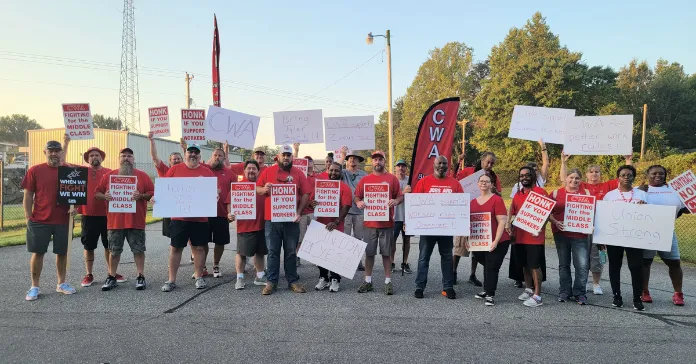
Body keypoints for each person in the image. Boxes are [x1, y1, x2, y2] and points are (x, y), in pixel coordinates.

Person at [560, 153, 632, 295]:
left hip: (600, 226)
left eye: (597, 172)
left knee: (597, 255)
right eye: (591, 172)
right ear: (586, 175)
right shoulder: (582, 185)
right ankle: (584, 282)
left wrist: (628, 160)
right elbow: (565, 179)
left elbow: (626, 179)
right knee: (582, 255)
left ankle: (596, 283)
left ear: (600, 174)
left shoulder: (607, 186)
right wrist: (563, 162)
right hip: (581, 224)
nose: (594, 174)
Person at [62, 134, 123, 287]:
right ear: (87, 159)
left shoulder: (111, 172)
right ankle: (89, 274)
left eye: (97, 155)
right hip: (88, 215)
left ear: (101, 158)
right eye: (91, 155)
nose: (94, 157)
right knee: (89, 246)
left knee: (109, 245)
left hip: (108, 215)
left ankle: (112, 272)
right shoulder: (80, 171)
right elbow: (62, 163)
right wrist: (66, 142)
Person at [22, 141, 77, 301]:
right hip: (40, 219)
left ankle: (61, 283)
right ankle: (34, 286)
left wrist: (76, 207)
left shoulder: (70, 171)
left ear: (61, 153)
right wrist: (27, 216)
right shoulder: (35, 170)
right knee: (38, 252)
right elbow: (28, 194)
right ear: (44, 152)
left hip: (63, 219)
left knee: (62, 252)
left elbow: (78, 191)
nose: (54, 154)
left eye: (57, 151)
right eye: (51, 151)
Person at [95, 148, 154, 291]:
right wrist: (105, 196)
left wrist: (141, 196)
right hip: (115, 222)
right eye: (123, 156)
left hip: (136, 221)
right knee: (114, 251)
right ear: (118, 159)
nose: (126, 158)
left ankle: (140, 276)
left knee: (138, 250)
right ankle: (111, 276)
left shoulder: (142, 176)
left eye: (129, 156)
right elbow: (97, 193)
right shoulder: (109, 176)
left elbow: (152, 192)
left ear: (133, 159)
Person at [160, 143, 216, 292]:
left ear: (200, 156)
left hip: (200, 219)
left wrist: (214, 195)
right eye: (190, 152)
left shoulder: (207, 172)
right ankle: (171, 280)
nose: (193, 155)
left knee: (199, 248)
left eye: (196, 153)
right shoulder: (174, 170)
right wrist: (157, 198)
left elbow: (214, 191)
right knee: (176, 248)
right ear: (185, 154)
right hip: (179, 218)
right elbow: (165, 189)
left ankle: (199, 277)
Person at [256, 145, 310, 295]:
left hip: (291, 221)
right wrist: (264, 189)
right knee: (273, 252)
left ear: (292, 157)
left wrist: (299, 212)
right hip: (271, 221)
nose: (286, 157)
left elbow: (306, 194)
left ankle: (292, 281)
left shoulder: (298, 173)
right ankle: (271, 282)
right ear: (278, 157)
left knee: (291, 252)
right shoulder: (268, 172)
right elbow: (257, 188)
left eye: (289, 155)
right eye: (283, 155)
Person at [412, 156, 462, 299]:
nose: (441, 165)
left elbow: (460, 205)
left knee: (447, 257)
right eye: (439, 163)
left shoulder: (455, 184)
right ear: (433, 164)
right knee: (423, 257)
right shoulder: (424, 182)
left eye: (444, 163)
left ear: (447, 165)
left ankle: (448, 286)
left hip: (446, 229)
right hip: (427, 229)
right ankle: (420, 286)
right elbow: (415, 204)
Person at [354, 150, 403, 295]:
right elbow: (357, 197)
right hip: (370, 224)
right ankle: (368, 281)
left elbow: (400, 196)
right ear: (372, 162)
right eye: (375, 159)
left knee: (386, 254)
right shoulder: (365, 180)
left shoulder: (392, 179)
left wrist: (396, 201)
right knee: (369, 254)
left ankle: (388, 281)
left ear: (384, 161)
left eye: (380, 159)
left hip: (386, 224)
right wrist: (359, 203)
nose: (377, 162)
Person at [639, 165, 688, 306]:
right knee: (645, 262)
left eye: (661, 173)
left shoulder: (673, 191)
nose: (658, 176)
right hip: (646, 232)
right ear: (647, 173)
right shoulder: (640, 190)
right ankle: (644, 291)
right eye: (654, 173)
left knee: (674, 262)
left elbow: (684, 209)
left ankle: (678, 294)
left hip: (666, 231)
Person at [602, 165, 647, 311]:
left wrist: (644, 206)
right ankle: (616, 296)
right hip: (615, 236)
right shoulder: (610, 196)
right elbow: (604, 217)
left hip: (635, 236)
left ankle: (637, 298)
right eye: (623, 175)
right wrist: (602, 238)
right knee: (615, 266)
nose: (626, 177)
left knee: (636, 267)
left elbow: (651, 215)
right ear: (618, 177)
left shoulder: (642, 194)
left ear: (634, 177)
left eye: (629, 175)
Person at [453, 145, 500, 287]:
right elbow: (455, 180)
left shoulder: (493, 177)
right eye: (488, 162)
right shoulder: (468, 171)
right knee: (460, 246)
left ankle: (472, 275)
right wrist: (457, 163)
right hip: (465, 213)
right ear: (482, 161)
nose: (490, 165)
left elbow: (499, 194)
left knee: (477, 247)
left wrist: (495, 191)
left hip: (481, 216)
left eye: (492, 163)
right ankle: (453, 272)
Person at [506, 166, 549, 307]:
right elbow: (511, 210)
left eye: (527, 175)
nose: (524, 178)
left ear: (533, 177)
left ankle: (538, 296)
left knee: (535, 265)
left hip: (534, 236)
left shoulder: (541, 192)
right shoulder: (518, 194)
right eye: (521, 175)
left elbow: (547, 214)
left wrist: (540, 227)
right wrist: (508, 225)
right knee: (524, 264)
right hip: (519, 235)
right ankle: (528, 289)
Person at [548, 168, 591, 305]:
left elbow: (593, 212)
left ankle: (580, 293)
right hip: (561, 233)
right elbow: (546, 210)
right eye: (571, 177)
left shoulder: (586, 193)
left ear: (581, 180)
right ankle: (565, 291)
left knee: (582, 265)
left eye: (577, 178)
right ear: (566, 178)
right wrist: (555, 221)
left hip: (580, 234)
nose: (574, 180)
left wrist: (591, 224)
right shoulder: (555, 193)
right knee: (564, 264)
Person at [309, 162, 353, 292]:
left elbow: (346, 207)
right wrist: (313, 203)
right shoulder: (320, 187)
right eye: (331, 170)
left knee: (334, 254)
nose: (334, 173)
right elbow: (311, 203)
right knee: (320, 253)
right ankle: (323, 278)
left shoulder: (344, 188)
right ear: (328, 170)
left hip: (336, 226)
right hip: (321, 225)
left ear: (341, 172)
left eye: (336, 171)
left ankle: (335, 279)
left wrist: (336, 221)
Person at [471, 172, 511, 306]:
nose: (484, 183)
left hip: (499, 241)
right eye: (481, 181)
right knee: (486, 263)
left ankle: (490, 294)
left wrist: (495, 241)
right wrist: (468, 241)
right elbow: (471, 224)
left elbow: (502, 221)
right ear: (477, 184)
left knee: (492, 265)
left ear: (491, 184)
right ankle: (486, 289)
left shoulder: (496, 200)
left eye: (487, 181)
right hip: (480, 242)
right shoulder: (472, 202)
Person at [228, 160, 268, 290]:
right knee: (242, 253)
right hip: (245, 226)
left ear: (258, 171)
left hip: (263, 225)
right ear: (244, 171)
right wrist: (229, 214)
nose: (251, 171)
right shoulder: (238, 186)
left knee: (260, 252)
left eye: (254, 169)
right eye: (249, 169)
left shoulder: (263, 185)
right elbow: (229, 202)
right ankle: (239, 278)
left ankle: (260, 276)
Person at [148, 132, 187, 259]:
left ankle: (193, 255)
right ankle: (174, 257)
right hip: (170, 209)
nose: (176, 161)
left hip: (186, 207)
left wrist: (185, 148)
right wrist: (152, 141)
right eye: (173, 159)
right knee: (174, 237)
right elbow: (155, 158)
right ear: (169, 162)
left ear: (182, 160)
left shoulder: (188, 171)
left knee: (191, 235)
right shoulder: (165, 170)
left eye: (178, 159)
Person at [200, 148, 235, 279]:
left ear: (224, 158)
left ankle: (216, 264)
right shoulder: (204, 170)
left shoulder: (231, 174)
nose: (217, 157)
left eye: (220, 155)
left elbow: (235, 195)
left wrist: (231, 212)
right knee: (203, 241)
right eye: (215, 155)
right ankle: (202, 266)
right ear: (211, 156)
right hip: (205, 213)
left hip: (222, 214)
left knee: (220, 242)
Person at [337, 146, 368, 271]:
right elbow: (335, 168)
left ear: (358, 161)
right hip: (345, 211)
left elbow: (370, 190)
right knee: (345, 237)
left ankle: (357, 261)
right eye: (350, 158)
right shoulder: (343, 172)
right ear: (347, 160)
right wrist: (343, 155)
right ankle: (344, 260)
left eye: (355, 159)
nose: (352, 160)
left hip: (360, 211)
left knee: (358, 238)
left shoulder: (364, 175)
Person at [293, 143, 315, 266]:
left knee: (314, 236)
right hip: (301, 211)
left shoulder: (317, 177)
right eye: (305, 161)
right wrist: (296, 150)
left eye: (310, 161)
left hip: (312, 211)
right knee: (300, 238)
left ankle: (315, 257)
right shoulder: (298, 175)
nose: (308, 163)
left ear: (313, 164)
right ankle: (297, 257)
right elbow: (295, 162)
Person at [391, 159, 413, 274]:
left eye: (403, 166)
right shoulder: (391, 180)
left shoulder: (411, 180)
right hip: (395, 216)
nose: (401, 168)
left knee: (407, 240)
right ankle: (391, 262)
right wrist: (403, 192)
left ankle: (405, 262)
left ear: (406, 168)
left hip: (407, 216)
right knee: (392, 240)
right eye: (398, 166)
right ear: (395, 168)